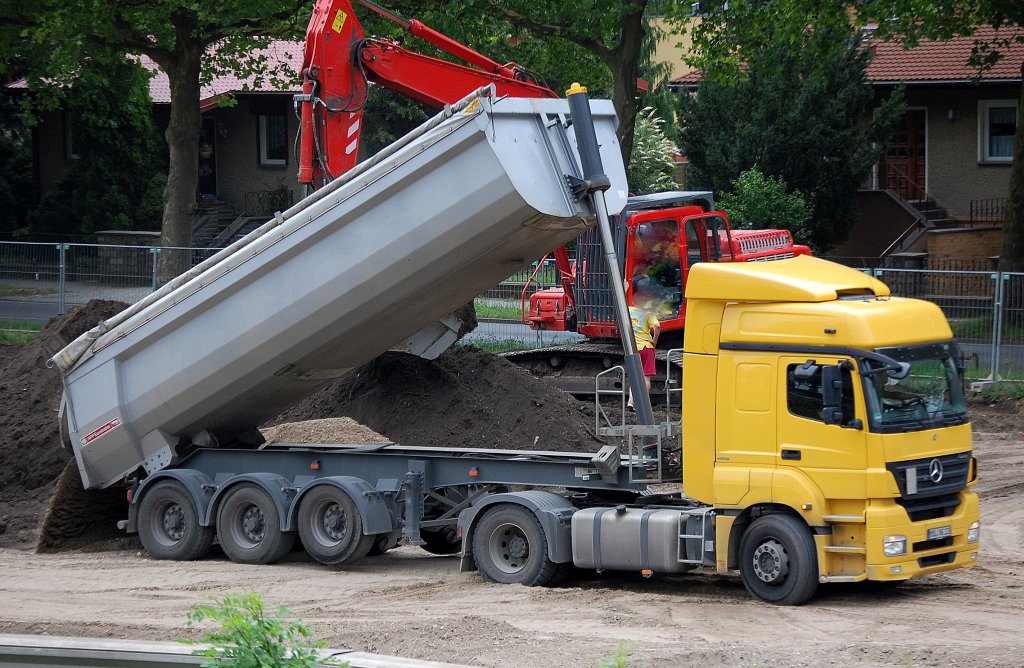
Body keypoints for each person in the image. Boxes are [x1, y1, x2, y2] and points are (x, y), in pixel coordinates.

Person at [626, 275, 660, 411]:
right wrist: (655, 340)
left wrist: (624, 289)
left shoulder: (628, 311)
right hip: (646, 347)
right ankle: (643, 404)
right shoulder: (648, 312)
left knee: (634, 376)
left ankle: (630, 402)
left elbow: (620, 306)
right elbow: (657, 326)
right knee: (646, 377)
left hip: (633, 348)